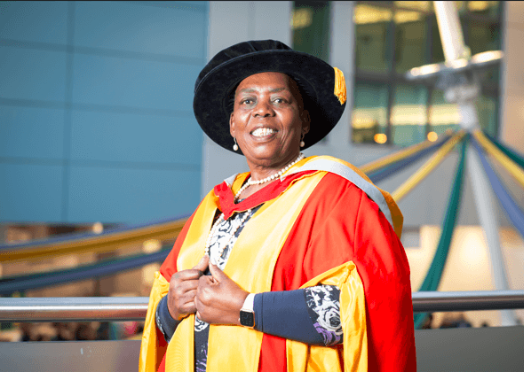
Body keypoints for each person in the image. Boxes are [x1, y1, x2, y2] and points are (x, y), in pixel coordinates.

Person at [140, 40, 416, 372]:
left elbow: (371, 310)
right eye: (247, 101)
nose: (262, 110)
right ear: (233, 125)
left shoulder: (336, 195)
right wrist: (171, 307)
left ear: (304, 121)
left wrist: (247, 307)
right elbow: (165, 316)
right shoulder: (214, 205)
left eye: (279, 100)